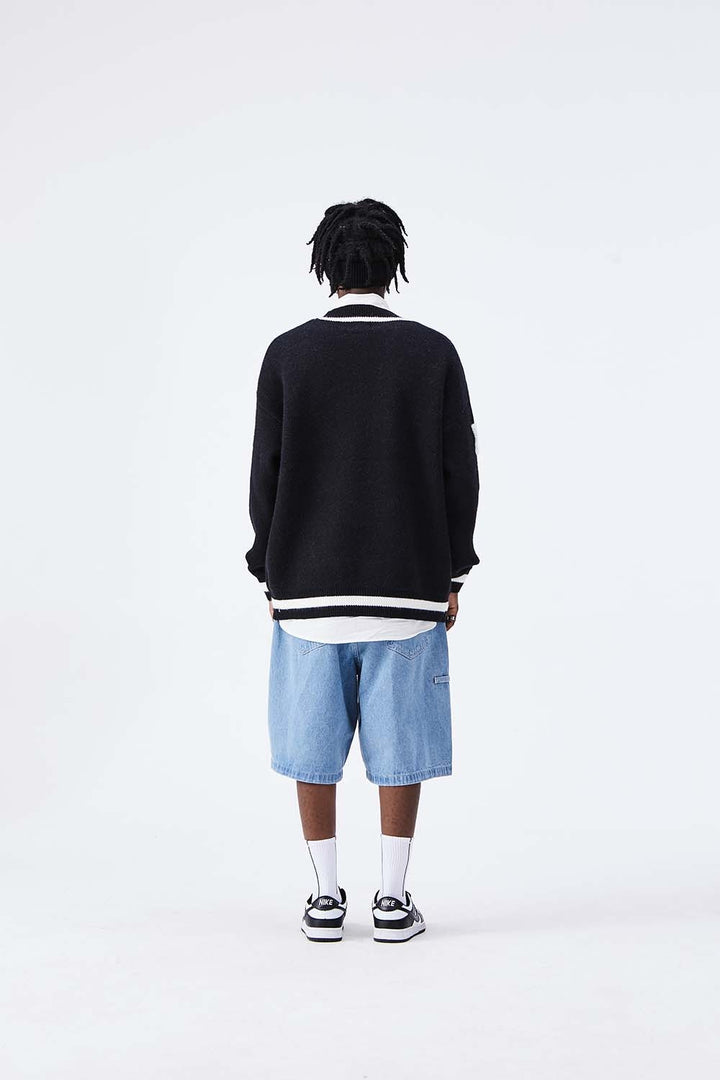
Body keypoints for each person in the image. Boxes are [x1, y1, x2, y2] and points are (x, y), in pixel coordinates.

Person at [245, 198, 480, 943]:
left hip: (306, 591)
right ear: (394, 264)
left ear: (325, 266)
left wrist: (268, 570)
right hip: (408, 587)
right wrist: (454, 572)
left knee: (311, 748)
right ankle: (392, 899)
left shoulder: (287, 353)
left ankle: (323, 899)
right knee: (401, 750)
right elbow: (459, 471)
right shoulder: (433, 352)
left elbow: (265, 471)